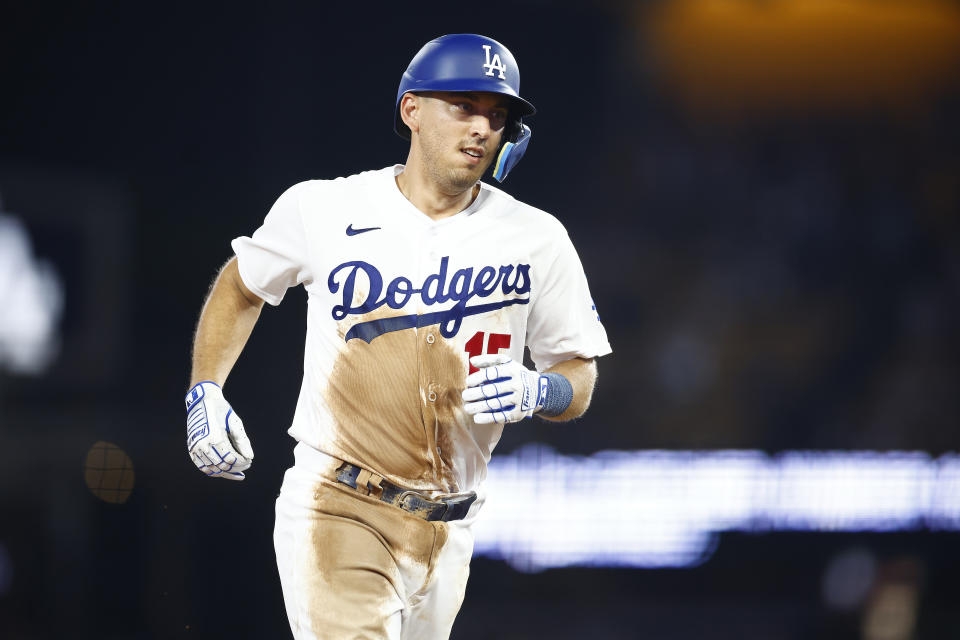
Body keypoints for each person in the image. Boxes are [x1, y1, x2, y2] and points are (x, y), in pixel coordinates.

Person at [184, 33, 611, 639]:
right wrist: (206, 389)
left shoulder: (537, 238)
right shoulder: (325, 208)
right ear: (411, 110)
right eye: (463, 107)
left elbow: (580, 376)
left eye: (497, 116)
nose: (481, 129)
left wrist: (541, 391)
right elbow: (241, 284)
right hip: (341, 503)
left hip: (453, 525)